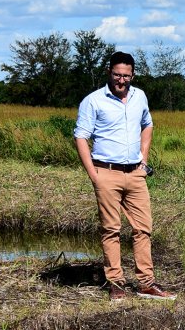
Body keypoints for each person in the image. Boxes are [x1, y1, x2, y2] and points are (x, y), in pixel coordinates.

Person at [74, 51, 175, 302]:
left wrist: (144, 159)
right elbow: (81, 137)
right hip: (106, 172)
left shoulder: (140, 96)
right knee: (111, 229)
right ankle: (116, 282)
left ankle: (146, 283)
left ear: (133, 75)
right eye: (117, 75)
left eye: (126, 76)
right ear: (109, 72)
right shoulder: (93, 101)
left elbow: (148, 124)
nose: (122, 80)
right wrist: (93, 175)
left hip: (135, 173)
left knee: (143, 229)